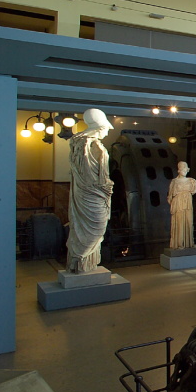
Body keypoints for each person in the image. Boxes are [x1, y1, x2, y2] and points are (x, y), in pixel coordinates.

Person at [66, 108, 115, 273]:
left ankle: (81, 263)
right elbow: (96, 180)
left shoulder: (77, 142)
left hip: (83, 193)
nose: (108, 132)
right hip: (93, 194)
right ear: (100, 126)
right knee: (98, 227)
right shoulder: (92, 145)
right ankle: (81, 259)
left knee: (82, 226)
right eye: (107, 128)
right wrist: (107, 187)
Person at [168, 161, 196, 249]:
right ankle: (179, 243)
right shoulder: (174, 182)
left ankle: (190, 243)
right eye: (183, 168)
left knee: (189, 222)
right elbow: (170, 196)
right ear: (179, 169)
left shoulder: (192, 181)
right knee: (180, 223)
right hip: (178, 205)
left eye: (186, 168)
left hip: (188, 204)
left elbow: (193, 191)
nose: (184, 169)